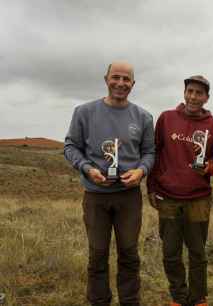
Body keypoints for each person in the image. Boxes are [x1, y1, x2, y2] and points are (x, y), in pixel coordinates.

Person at [64, 61, 154, 306]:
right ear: (106, 79)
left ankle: (130, 301)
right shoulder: (84, 112)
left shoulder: (144, 117)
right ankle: (99, 301)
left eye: (126, 79)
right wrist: (87, 168)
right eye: (116, 77)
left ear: (133, 84)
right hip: (96, 195)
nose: (121, 83)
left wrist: (141, 171)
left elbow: (149, 152)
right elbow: (71, 146)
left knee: (129, 253)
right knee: (98, 254)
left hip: (128, 197)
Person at [146, 75, 213, 306]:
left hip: (198, 199)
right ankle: (178, 297)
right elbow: (155, 152)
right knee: (171, 252)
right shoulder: (166, 119)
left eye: (199, 93)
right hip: (168, 197)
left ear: (206, 97)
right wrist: (151, 186)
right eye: (190, 91)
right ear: (184, 92)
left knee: (197, 252)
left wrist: (207, 167)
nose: (193, 97)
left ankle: (198, 298)